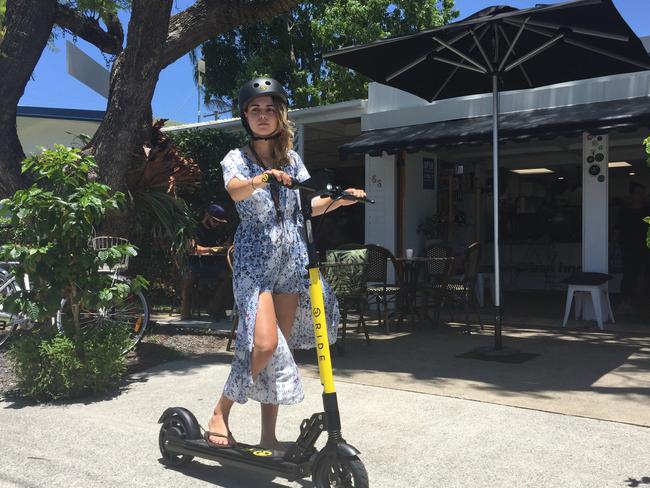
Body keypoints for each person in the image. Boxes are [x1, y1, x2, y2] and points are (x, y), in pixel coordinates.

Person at [203, 77, 366, 450]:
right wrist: (263, 177)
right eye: (255, 110)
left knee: (280, 352)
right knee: (262, 346)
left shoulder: (292, 159)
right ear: (245, 116)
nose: (263, 116)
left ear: (280, 116)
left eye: (270, 109)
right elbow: (236, 190)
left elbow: (306, 204)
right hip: (255, 263)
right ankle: (220, 411)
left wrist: (342, 200)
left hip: (290, 262)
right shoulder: (236, 159)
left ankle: (268, 436)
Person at [180, 204, 233, 320]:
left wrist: (224, 247)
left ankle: (214, 307)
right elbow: (192, 248)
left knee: (228, 277)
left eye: (220, 222)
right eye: (215, 221)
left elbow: (227, 245)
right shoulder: (194, 228)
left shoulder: (220, 231)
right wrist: (212, 249)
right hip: (195, 265)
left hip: (213, 265)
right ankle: (185, 308)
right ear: (207, 216)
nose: (217, 224)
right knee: (188, 277)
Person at [614, 182, 650, 311]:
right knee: (630, 274)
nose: (640, 196)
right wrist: (615, 242)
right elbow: (618, 229)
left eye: (642, 193)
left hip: (646, 247)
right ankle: (626, 300)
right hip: (628, 247)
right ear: (632, 195)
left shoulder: (648, 210)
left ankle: (644, 301)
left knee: (646, 274)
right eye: (637, 193)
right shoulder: (625, 212)